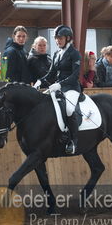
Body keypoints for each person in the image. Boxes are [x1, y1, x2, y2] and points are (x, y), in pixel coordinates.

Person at [34, 25, 81, 155]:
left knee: (69, 110)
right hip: (58, 87)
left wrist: (60, 85)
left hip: (71, 88)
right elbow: (51, 74)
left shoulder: (74, 53)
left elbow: (75, 76)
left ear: (68, 38)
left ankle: (73, 141)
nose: (57, 41)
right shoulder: (56, 54)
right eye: (56, 38)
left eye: (60, 38)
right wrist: (39, 81)